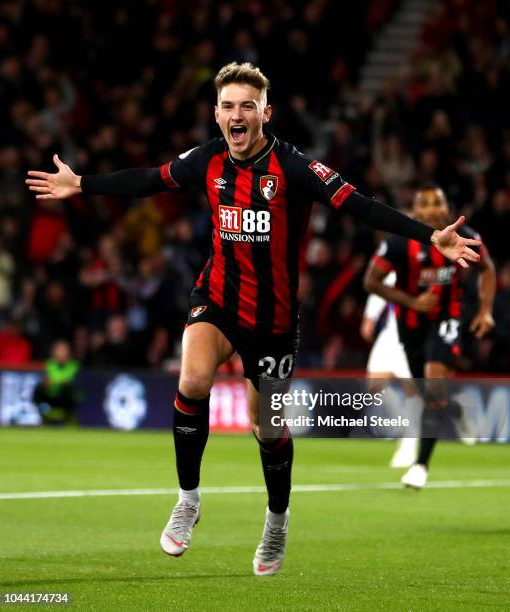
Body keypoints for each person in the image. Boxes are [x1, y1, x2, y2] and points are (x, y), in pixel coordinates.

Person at [26, 63, 481, 575]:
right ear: (216, 114)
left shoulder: (295, 169)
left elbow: (361, 207)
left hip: (272, 319)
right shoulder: (208, 159)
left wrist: (428, 236)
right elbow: (150, 181)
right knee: (193, 379)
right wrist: (82, 183)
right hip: (217, 298)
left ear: (265, 113)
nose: (236, 115)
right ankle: (189, 500)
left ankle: (277, 521)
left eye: (247, 106)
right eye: (227, 106)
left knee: (267, 429)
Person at [364, 185, 496, 489]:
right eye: (425, 204)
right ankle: (457, 410)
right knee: (430, 394)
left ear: (447, 206)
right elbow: (371, 281)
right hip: (410, 325)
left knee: (434, 381)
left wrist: (485, 310)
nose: (433, 209)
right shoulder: (400, 241)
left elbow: (487, 269)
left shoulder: (465, 234)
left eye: (438, 202)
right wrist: (410, 302)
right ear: (415, 211)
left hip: (447, 319)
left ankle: (420, 466)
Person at [360, 272, 421, 468]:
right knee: (374, 385)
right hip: (392, 332)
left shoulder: (434, 264)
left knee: (413, 388)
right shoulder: (398, 258)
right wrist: (370, 317)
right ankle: (404, 426)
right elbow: (380, 285)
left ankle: (409, 445)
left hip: (416, 334)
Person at [33, 339, 81, 424]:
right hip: (50, 394)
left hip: (65, 397)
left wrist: (60, 383)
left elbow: (76, 382)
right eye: (59, 350)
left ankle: (69, 417)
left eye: (64, 350)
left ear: (69, 352)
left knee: (68, 389)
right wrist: (46, 382)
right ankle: (43, 415)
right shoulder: (48, 364)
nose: (62, 352)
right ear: (54, 352)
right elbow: (44, 379)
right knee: (38, 389)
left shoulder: (74, 365)